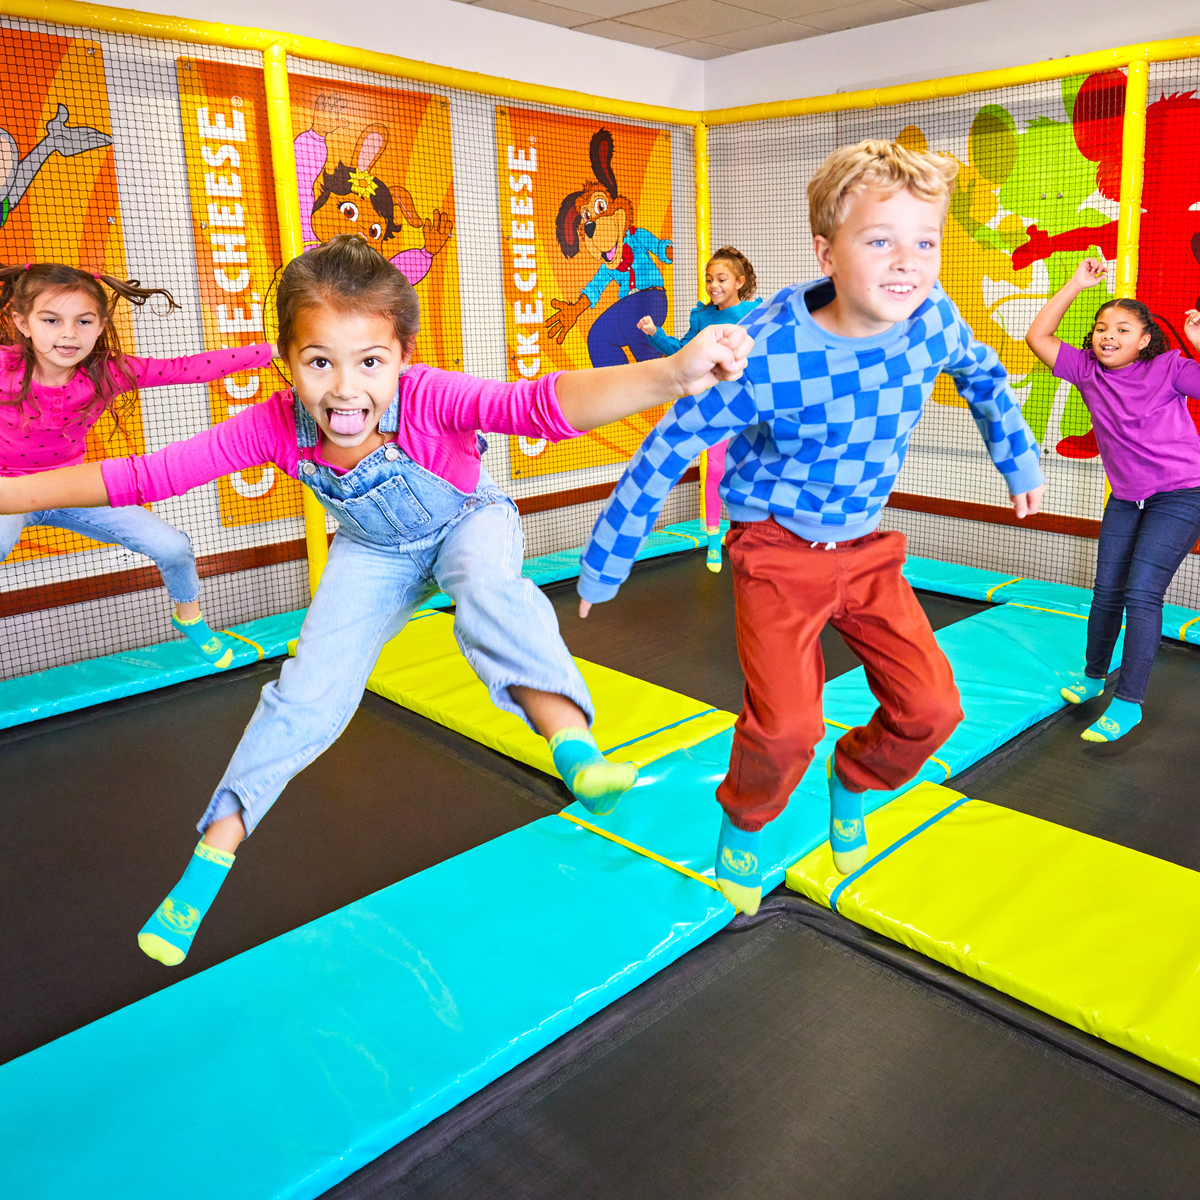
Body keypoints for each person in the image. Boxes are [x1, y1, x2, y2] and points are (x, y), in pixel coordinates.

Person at [0, 234, 752, 965]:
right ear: (289, 361)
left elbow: (541, 405)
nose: (344, 388)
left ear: (401, 358)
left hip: (466, 518)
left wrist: (669, 374)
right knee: (305, 694)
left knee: (488, 590)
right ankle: (212, 855)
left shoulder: (430, 397)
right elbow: (145, 477)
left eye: (370, 362)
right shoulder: (274, 423)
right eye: (318, 362)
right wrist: (13, 493)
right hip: (374, 552)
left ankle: (574, 745)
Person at [577, 141, 1046, 915]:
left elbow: (984, 372)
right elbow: (668, 446)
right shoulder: (763, 353)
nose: (907, 263)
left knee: (933, 709)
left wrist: (1018, 458)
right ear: (826, 251)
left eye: (924, 242)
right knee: (787, 727)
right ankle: (746, 819)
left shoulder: (932, 319)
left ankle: (854, 777)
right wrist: (606, 560)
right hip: (774, 553)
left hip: (867, 551)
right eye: (880, 241)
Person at [0, 261, 275, 669]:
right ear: (23, 322)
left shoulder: (108, 372)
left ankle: (191, 620)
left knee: (174, 546)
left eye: (83, 321)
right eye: (51, 320)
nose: (69, 334)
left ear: (100, 325)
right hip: (7, 491)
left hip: (75, 487)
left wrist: (271, 351)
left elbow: (188, 369)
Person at [1025, 257, 1200, 742]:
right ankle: (1093, 676)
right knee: (1105, 589)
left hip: (1184, 493)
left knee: (1142, 591)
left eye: (1123, 329)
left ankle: (1129, 702)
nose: (1108, 335)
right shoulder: (1087, 371)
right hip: (1126, 496)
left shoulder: (1169, 367)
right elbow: (1037, 337)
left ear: (1144, 340)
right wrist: (1077, 284)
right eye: (1102, 327)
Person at [637, 246, 761, 572]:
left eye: (721, 279)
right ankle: (713, 542)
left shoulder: (753, 313)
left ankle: (752, 534)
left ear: (739, 281)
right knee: (716, 469)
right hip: (715, 404)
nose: (713, 285)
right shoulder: (703, 317)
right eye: (709, 279)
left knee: (752, 467)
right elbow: (683, 352)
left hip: (748, 402)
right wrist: (655, 334)